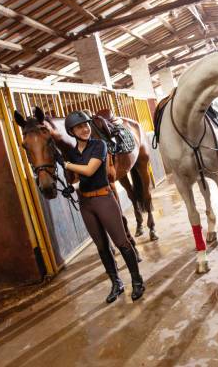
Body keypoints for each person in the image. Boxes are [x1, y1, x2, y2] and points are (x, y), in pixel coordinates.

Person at [62, 110, 145, 303]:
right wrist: (71, 186)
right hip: (86, 202)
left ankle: (137, 280)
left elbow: (90, 170)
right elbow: (79, 179)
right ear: (71, 131)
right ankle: (116, 283)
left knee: (121, 242)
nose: (84, 129)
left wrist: (66, 165)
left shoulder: (99, 145)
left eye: (86, 125)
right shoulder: (73, 154)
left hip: (104, 199)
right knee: (101, 246)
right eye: (79, 127)